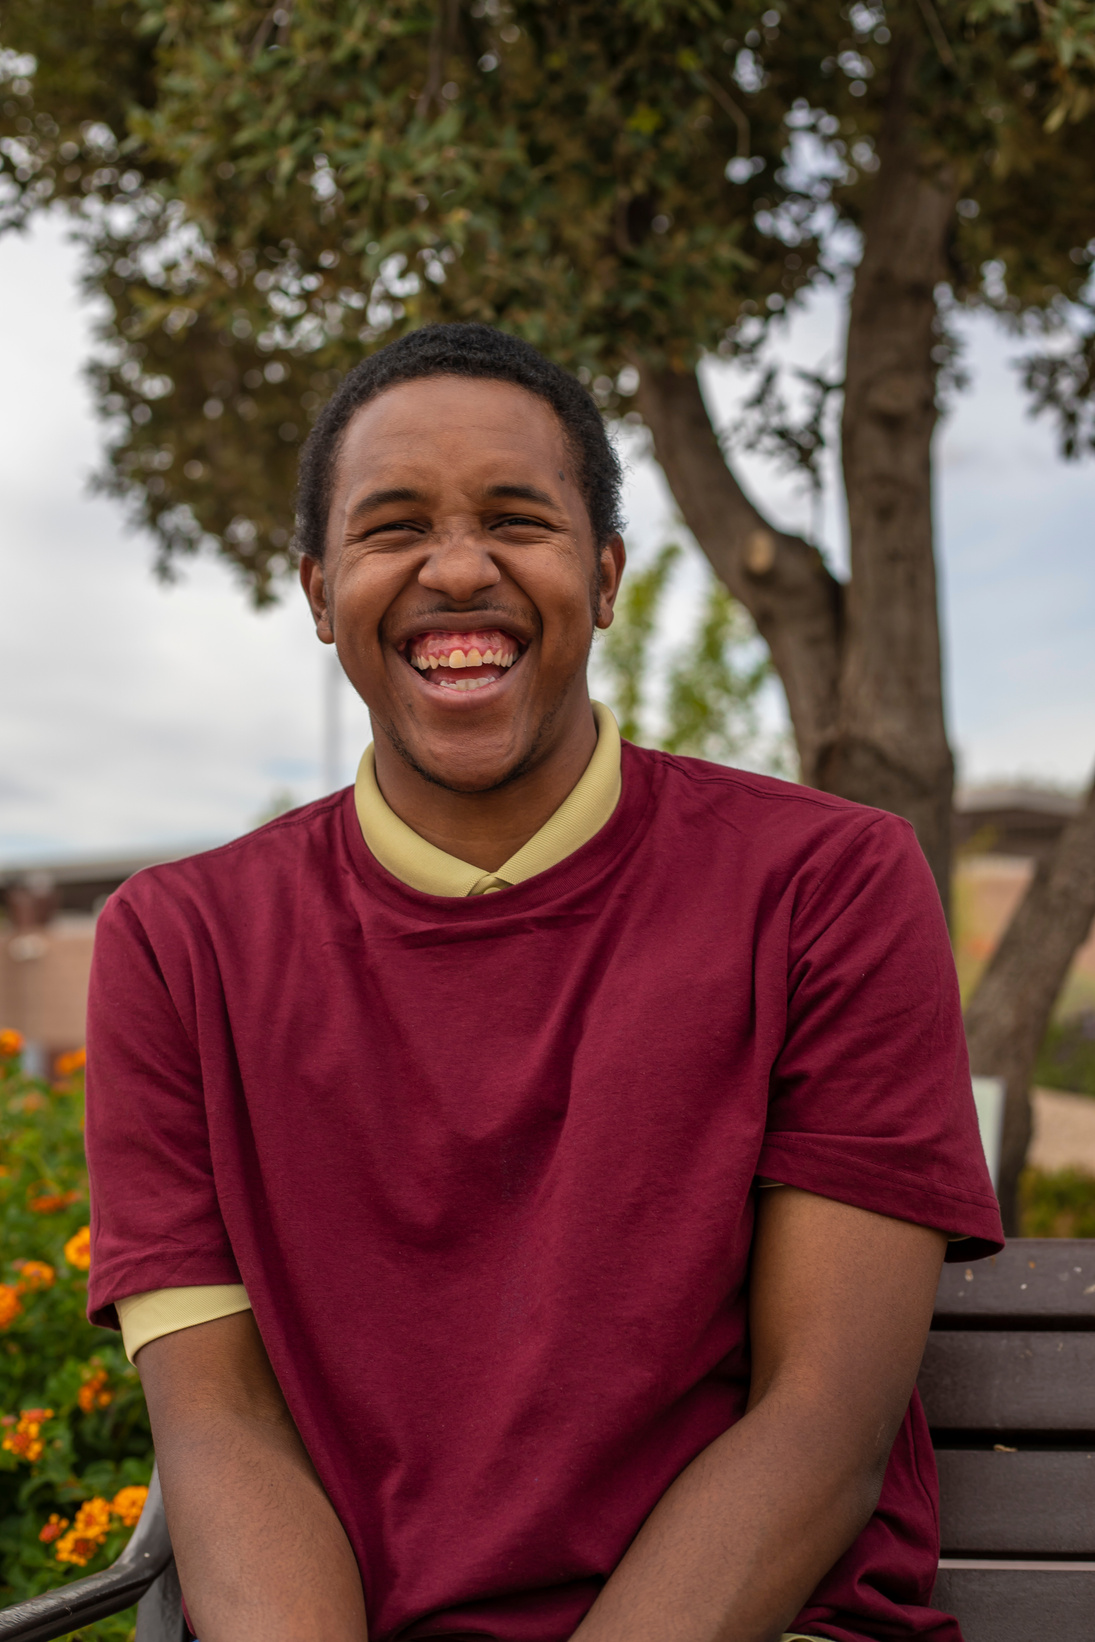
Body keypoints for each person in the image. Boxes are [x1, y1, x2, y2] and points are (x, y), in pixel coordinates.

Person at [85, 323, 1004, 1642]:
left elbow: (822, 1420)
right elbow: (221, 1424)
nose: (458, 568)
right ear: (315, 585)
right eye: (393, 525)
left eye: (517, 517)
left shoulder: (829, 884)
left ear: (608, 572)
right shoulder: (178, 944)